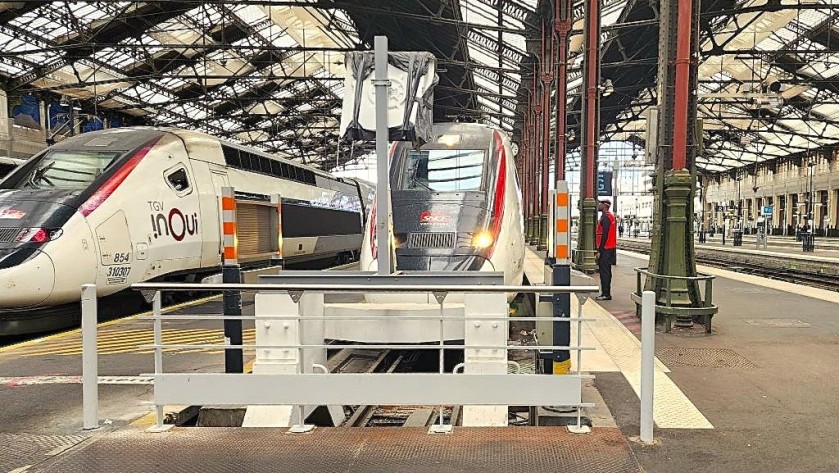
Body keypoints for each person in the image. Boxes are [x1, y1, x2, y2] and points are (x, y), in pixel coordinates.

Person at [595, 199, 617, 301]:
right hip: (610, 248)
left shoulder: (606, 218)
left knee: (604, 272)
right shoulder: (611, 217)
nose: (598, 205)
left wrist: (599, 250)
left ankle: (606, 294)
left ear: (604, 205)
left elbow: (604, 235)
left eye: (600, 204)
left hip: (605, 249)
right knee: (607, 271)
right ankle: (606, 292)